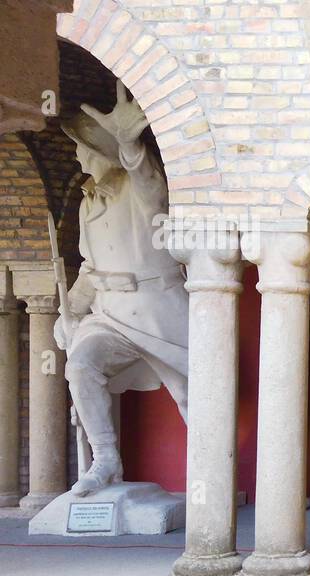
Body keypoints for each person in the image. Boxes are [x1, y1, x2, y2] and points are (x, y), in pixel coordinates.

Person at [57, 81, 189, 496]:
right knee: (80, 367)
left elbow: (151, 185)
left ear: (102, 152)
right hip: (109, 314)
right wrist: (74, 311)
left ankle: (213, 477)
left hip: (158, 310)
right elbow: (91, 268)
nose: (78, 155)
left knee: (196, 397)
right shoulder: (87, 203)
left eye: (83, 147)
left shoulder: (139, 187)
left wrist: (132, 148)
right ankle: (106, 460)